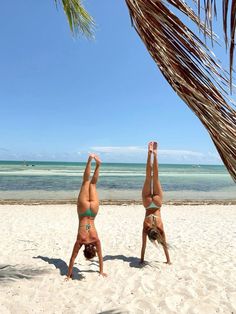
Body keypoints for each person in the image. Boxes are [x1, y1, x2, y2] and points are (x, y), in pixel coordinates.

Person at [66, 154, 107, 280]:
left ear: (93, 249)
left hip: (92, 212)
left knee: (92, 184)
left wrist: (101, 271)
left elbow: (100, 257)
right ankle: (90, 160)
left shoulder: (96, 240)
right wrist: (69, 274)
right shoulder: (81, 240)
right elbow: (72, 258)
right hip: (83, 211)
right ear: (84, 251)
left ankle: (98, 165)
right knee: (86, 182)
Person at [140, 141, 171, 264]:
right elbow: (143, 247)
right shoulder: (146, 228)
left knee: (155, 177)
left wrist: (168, 260)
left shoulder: (160, 228)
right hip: (148, 204)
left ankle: (155, 154)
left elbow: (163, 245)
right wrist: (141, 260)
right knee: (150, 177)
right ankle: (150, 154)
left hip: (157, 204)